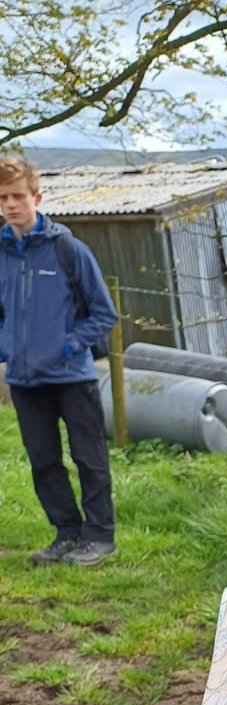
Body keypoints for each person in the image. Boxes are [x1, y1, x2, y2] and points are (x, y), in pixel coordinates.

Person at [0, 156, 118, 566]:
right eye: (3, 198)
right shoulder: (1, 253)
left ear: (37, 197)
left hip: (72, 376)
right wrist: (8, 348)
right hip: (24, 380)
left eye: (18, 196)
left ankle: (100, 538)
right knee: (45, 463)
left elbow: (104, 314)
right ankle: (66, 534)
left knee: (89, 458)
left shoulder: (68, 249)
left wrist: (67, 346)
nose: (11, 205)